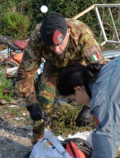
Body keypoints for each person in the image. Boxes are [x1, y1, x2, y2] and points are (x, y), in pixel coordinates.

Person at [15, 12, 106, 145]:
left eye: (60, 44)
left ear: (68, 32)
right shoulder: (37, 37)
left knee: (96, 105)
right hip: (54, 67)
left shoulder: (82, 34)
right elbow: (25, 73)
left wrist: (88, 108)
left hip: (78, 68)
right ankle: (40, 145)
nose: (56, 50)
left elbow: (98, 72)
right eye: (51, 46)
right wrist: (32, 104)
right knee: (43, 103)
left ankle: (101, 143)